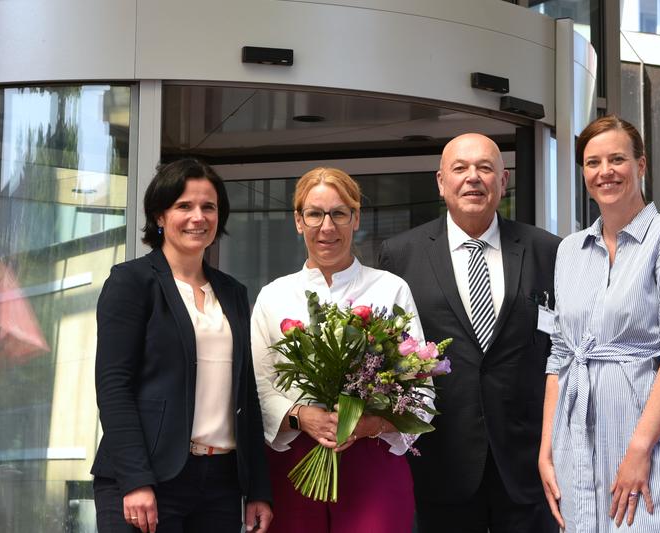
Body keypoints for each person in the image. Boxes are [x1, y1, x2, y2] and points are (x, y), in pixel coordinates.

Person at [539, 115, 660, 532]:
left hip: (648, 439)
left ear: (641, 165)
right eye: (592, 162)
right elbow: (561, 355)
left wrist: (639, 449)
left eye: (617, 159)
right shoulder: (569, 250)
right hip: (575, 442)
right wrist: (547, 450)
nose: (605, 172)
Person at [378, 133, 560, 533]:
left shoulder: (548, 251)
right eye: (460, 168)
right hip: (440, 464)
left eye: (485, 168)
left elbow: (561, 353)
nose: (473, 178)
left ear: (503, 180)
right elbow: (388, 358)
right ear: (441, 182)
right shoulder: (400, 254)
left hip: (528, 466)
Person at [92, 159, 273, 533]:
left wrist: (258, 489)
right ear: (160, 215)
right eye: (184, 206)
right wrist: (136, 479)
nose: (198, 217)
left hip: (221, 482)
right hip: (149, 479)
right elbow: (114, 388)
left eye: (209, 207)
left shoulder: (233, 292)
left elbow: (246, 396)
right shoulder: (131, 282)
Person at [250, 167, 426, 533]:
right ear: (298, 221)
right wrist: (301, 416)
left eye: (339, 213)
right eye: (314, 214)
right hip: (295, 462)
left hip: (373, 459)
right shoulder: (273, 295)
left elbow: (420, 384)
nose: (326, 227)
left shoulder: (391, 290)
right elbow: (257, 385)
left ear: (355, 218)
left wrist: (369, 424)